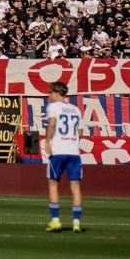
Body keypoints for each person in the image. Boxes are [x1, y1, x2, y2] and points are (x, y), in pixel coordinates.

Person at [43, 80, 83, 233]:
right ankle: (76, 223)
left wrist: (47, 141)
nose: (49, 95)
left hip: (58, 150)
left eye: (50, 92)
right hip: (73, 152)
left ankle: (56, 221)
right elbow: (80, 132)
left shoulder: (53, 107)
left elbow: (52, 123)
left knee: (53, 184)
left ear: (58, 94)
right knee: (76, 187)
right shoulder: (76, 109)